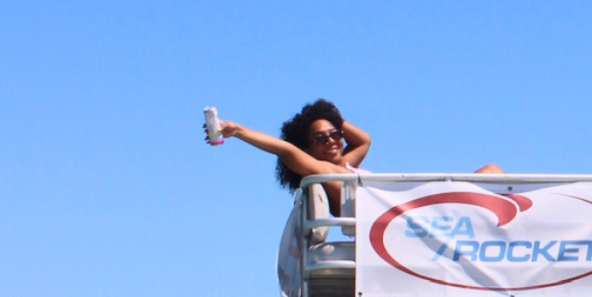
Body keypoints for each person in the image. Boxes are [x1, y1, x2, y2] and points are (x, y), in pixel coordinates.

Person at [211, 98, 506, 216]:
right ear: (307, 148)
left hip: (420, 204)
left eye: (335, 134)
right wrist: (237, 130)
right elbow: (285, 150)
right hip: (404, 217)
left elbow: (364, 139)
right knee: (492, 177)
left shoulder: (347, 166)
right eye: (319, 138)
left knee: (492, 170)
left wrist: (326, 117)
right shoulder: (321, 172)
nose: (331, 140)